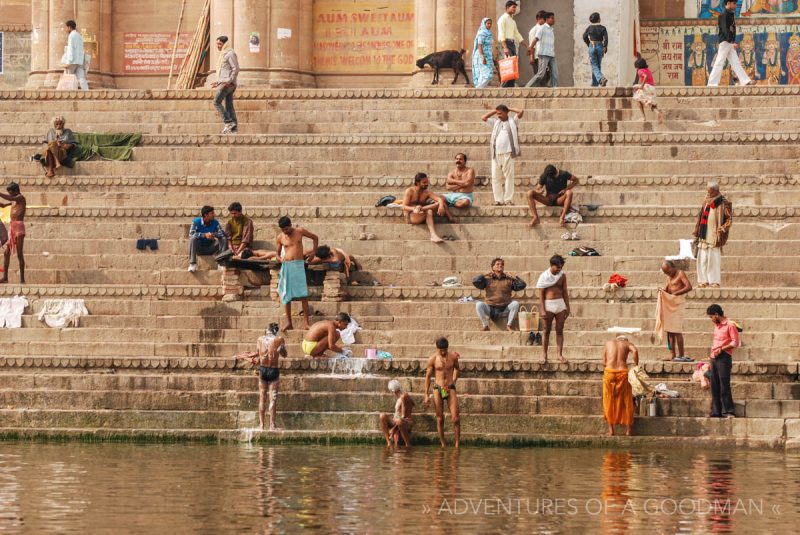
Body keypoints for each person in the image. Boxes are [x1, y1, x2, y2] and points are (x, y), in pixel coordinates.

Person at [233, 323, 287, 431]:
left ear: (266, 331)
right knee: (273, 398)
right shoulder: (280, 339)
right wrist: (281, 348)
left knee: (262, 397)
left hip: (263, 370)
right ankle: (272, 426)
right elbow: (285, 355)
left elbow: (258, 354)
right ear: (276, 331)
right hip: (273, 370)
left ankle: (261, 426)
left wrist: (243, 356)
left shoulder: (260, 339)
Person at [275, 216, 318, 331]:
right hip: (287, 267)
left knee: (303, 295)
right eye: (283, 230)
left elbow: (315, 238)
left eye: (287, 229)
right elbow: (277, 254)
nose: (285, 232)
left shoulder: (300, 231)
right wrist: (280, 259)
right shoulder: (280, 237)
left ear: (291, 225)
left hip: (299, 265)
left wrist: (314, 252)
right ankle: (289, 323)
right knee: (286, 295)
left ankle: (306, 323)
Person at [482, 105, 523, 206]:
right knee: (495, 177)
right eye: (498, 114)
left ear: (506, 112)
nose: (498, 115)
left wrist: (510, 108)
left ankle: (508, 200)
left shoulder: (513, 121)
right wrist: (495, 111)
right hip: (495, 154)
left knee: (509, 177)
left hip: (508, 153)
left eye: (500, 113)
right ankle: (498, 200)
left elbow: (521, 111)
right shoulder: (496, 122)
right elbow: (484, 118)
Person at [693, 181, 732, 288]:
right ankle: (703, 281)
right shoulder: (705, 201)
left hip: (714, 235)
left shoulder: (723, 202)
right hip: (703, 234)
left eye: (710, 192)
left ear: (716, 191)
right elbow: (700, 217)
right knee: (703, 258)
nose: (708, 194)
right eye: (708, 191)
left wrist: (723, 227)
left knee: (713, 259)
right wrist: (697, 229)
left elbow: (729, 219)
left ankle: (714, 281)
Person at [424, 338, 460, 448]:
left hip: (450, 387)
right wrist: (426, 394)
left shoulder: (453, 357)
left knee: (455, 418)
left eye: (445, 350)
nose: (443, 352)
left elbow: (457, 368)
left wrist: (453, 380)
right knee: (440, 418)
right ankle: (443, 444)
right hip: (437, 388)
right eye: (441, 350)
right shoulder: (433, 359)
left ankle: (457, 445)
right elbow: (428, 376)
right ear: (437, 348)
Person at [708, 0, 753, 87]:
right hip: (725, 42)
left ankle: (745, 81)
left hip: (728, 42)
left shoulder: (729, 14)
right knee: (719, 62)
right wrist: (731, 42)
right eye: (734, 4)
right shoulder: (724, 15)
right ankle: (712, 84)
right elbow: (725, 30)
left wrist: (731, 42)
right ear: (728, 3)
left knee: (735, 62)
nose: (736, 6)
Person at [706, 304, 740, 418]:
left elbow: (735, 342)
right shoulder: (717, 325)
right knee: (714, 385)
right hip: (714, 357)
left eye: (711, 317)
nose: (711, 319)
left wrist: (722, 349)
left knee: (724, 385)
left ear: (716, 314)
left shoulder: (730, 325)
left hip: (724, 357)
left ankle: (728, 411)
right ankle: (716, 411)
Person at [656, 260, 693, 362]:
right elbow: (667, 290)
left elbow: (689, 287)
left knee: (677, 330)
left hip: (678, 303)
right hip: (670, 304)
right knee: (670, 331)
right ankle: (672, 355)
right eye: (666, 273)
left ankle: (681, 355)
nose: (668, 274)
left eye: (669, 272)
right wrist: (661, 291)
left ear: (673, 268)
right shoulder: (669, 277)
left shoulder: (680, 273)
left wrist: (675, 294)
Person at [602, 336, 639, 436]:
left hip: (609, 372)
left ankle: (611, 431)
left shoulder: (608, 343)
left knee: (608, 400)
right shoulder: (627, 343)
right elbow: (635, 351)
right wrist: (636, 366)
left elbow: (604, 362)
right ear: (625, 340)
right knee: (626, 400)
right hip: (622, 373)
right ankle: (628, 431)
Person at [473, 258, 524, 332]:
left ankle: (509, 325)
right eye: (498, 264)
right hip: (490, 308)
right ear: (492, 267)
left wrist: (515, 277)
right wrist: (484, 275)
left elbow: (522, 285)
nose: (500, 266)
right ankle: (485, 325)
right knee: (478, 304)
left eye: (502, 264)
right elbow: (475, 281)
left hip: (505, 308)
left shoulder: (509, 279)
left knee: (515, 304)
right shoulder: (487, 279)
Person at [536, 255, 570, 363]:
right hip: (548, 304)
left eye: (561, 267)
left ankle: (559, 355)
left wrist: (567, 307)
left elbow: (565, 291)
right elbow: (541, 294)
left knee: (559, 330)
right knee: (546, 330)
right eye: (557, 267)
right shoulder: (544, 276)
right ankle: (544, 355)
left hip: (560, 304)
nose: (559, 269)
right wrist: (542, 309)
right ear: (552, 265)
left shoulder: (562, 276)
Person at [401, 173, 450, 243]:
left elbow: (439, 199)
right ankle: (433, 235)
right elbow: (403, 206)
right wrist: (413, 209)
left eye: (427, 182)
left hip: (421, 212)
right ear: (417, 183)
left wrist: (441, 206)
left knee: (440, 203)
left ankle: (422, 209)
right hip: (410, 216)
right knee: (429, 211)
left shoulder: (427, 192)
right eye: (424, 182)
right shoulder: (410, 191)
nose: (427, 184)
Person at [211, 36, 240, 134]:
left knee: (216, 102)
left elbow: (235, 68)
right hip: (225, 83)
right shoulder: (223, 54)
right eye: (217, 44)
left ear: (225, 44)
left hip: (229, 84)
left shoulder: (230, 53)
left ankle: (228, 122)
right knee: (229, 106)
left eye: (219, 44)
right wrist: (217, 81)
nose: (217, 46)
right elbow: (224, 71)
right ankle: (233, 129)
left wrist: (229, 81)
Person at [188, 205, 228, 273]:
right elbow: (191, 234)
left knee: (223, 239)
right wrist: (204, 235)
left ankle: (221, 263)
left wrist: (213, 234)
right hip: (199, 248)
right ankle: (192, 264)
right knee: (193, 238)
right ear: (206, 215)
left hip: (211, 248)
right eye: (212, 213)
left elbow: (222, 233)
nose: (214, 215)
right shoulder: (196, 222)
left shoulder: (215, 222)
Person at [0, 183, 26, 284]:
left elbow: (9, 198)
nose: (10, 195)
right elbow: (3, 205)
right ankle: (5, 277)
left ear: (16, 191)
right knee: (6, 253)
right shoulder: (14, 201)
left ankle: (22, 279)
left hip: (19, 227)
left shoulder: (20, 197)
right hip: (12, 227)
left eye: (11, 193)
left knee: (19, 253)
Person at [497, 1, 527, 88]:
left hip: (512, 44)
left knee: (513, 67)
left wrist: (526, 45)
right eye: (513, 7)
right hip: (505, 44)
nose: (515, 9)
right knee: (508, 68)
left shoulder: (512, 21)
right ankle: (502, 90)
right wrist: (505, 47)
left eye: (515, 7)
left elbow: (517, 34)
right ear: (507, 7)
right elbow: (502, 33)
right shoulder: (502, 19)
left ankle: (510, 88)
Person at [526, 12, 558, 88]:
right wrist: (530, 49)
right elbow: (535, 39)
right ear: (547, 19)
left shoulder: (551, 30)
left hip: (551, 54)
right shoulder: (542, 28)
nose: (554, 20)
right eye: (552, 18)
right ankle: (527, 87)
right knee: (540, 74)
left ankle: (555, 89)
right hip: (543, 54)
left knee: (554, 73)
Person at [380, 379, 415, 447]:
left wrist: (393, 430)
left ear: (393, 391)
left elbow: (403, 417)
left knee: (399, 421)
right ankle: (388, 443)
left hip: (405, 422)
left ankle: (408, 445)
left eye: (391, 391)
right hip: (397, 420)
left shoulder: (404, 396)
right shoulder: (401, 396)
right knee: (382, 416)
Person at [633, 57, 664, 123]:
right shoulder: (648, 70)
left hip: (646, 87)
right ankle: (658, 113)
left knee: (637, 99)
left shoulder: (640, 71)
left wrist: (641, 86)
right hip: (652, 88)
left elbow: (645, 77)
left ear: (638, 66)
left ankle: (643, 117)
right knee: (651, 104)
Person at [60, 20, 89, 90]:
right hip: (79, 61)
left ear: (69, 27)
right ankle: (87, 91)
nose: (66, 30)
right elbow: (81, 49)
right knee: (81, 78)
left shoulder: (71, 36)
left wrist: (68, 62)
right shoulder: (79, 36)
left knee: (68, 77)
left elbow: (71, 49)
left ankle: (68, 94)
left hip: (72, 61)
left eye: (66, 28)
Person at [583, 12, 609, 87]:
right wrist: (605, 46)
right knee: (597, 65)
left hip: (592, 45)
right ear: (598, 19)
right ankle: (598, 81)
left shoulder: (589, 28)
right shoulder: (603, 28)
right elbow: (606, 38)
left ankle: (598, 81)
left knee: (594, 65)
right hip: (600, 46)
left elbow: (584, 36)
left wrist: (588, 43)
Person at [472, 18, 495, 89]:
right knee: (485, 74)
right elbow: (479, 45)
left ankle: (479, 90)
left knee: (488, 74)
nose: (489, 25)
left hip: (488, 55)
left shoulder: (489, 33)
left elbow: (490, 45)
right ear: (484, 24)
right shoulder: (482, 33)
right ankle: (478, 90)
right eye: (488, 23)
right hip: (481, 55)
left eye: (490, 23)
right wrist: (482, 57)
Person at [527, 11, 547, 84]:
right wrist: (531, 57)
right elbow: (532, 45)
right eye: (544, 19)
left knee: (546, 75)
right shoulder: (534, 30)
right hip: (537, 57)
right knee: (539, 76)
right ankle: (529, 87)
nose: (545, 21)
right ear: (539, 19)